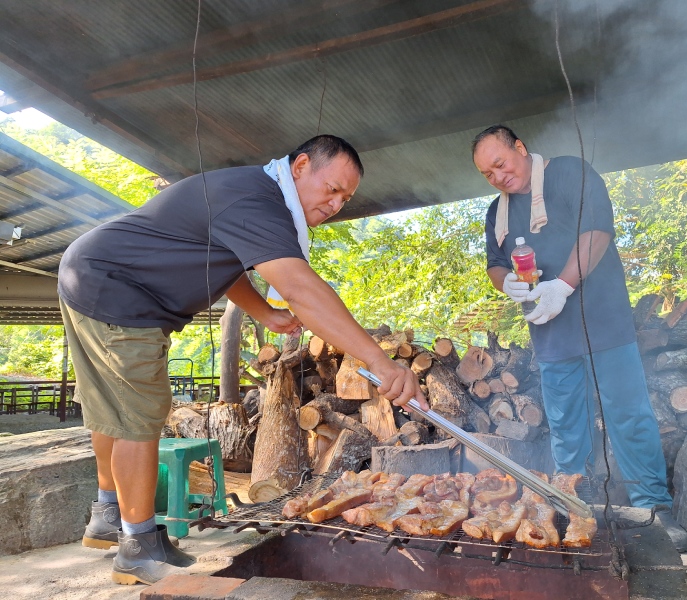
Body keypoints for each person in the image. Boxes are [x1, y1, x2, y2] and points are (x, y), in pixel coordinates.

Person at [58, 135, 429, 585]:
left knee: (112, 411)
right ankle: (137, 547)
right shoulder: (257, 200)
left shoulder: (254, 193)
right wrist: (381, 361)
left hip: (92, 274)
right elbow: (301, 289)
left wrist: (263, 312)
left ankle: (107, 515)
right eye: (331, 189)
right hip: (120, 292)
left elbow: (225, 261)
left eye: (345, 198)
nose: (335, 204)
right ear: (301, 166)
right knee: (138, 416)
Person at [472, 124, 687, 553]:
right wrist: (508, 286)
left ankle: (653, 511)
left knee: (628, 414)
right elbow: (495, 263)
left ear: (521, 147)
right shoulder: (496, 212)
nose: (497, 177)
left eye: (500, 163)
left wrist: (563, 285)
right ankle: (570, 508)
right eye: (487, 173)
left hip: (604, 319)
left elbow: (597, 232)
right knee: (566, 427)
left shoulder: (571, 173)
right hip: (550, 330)